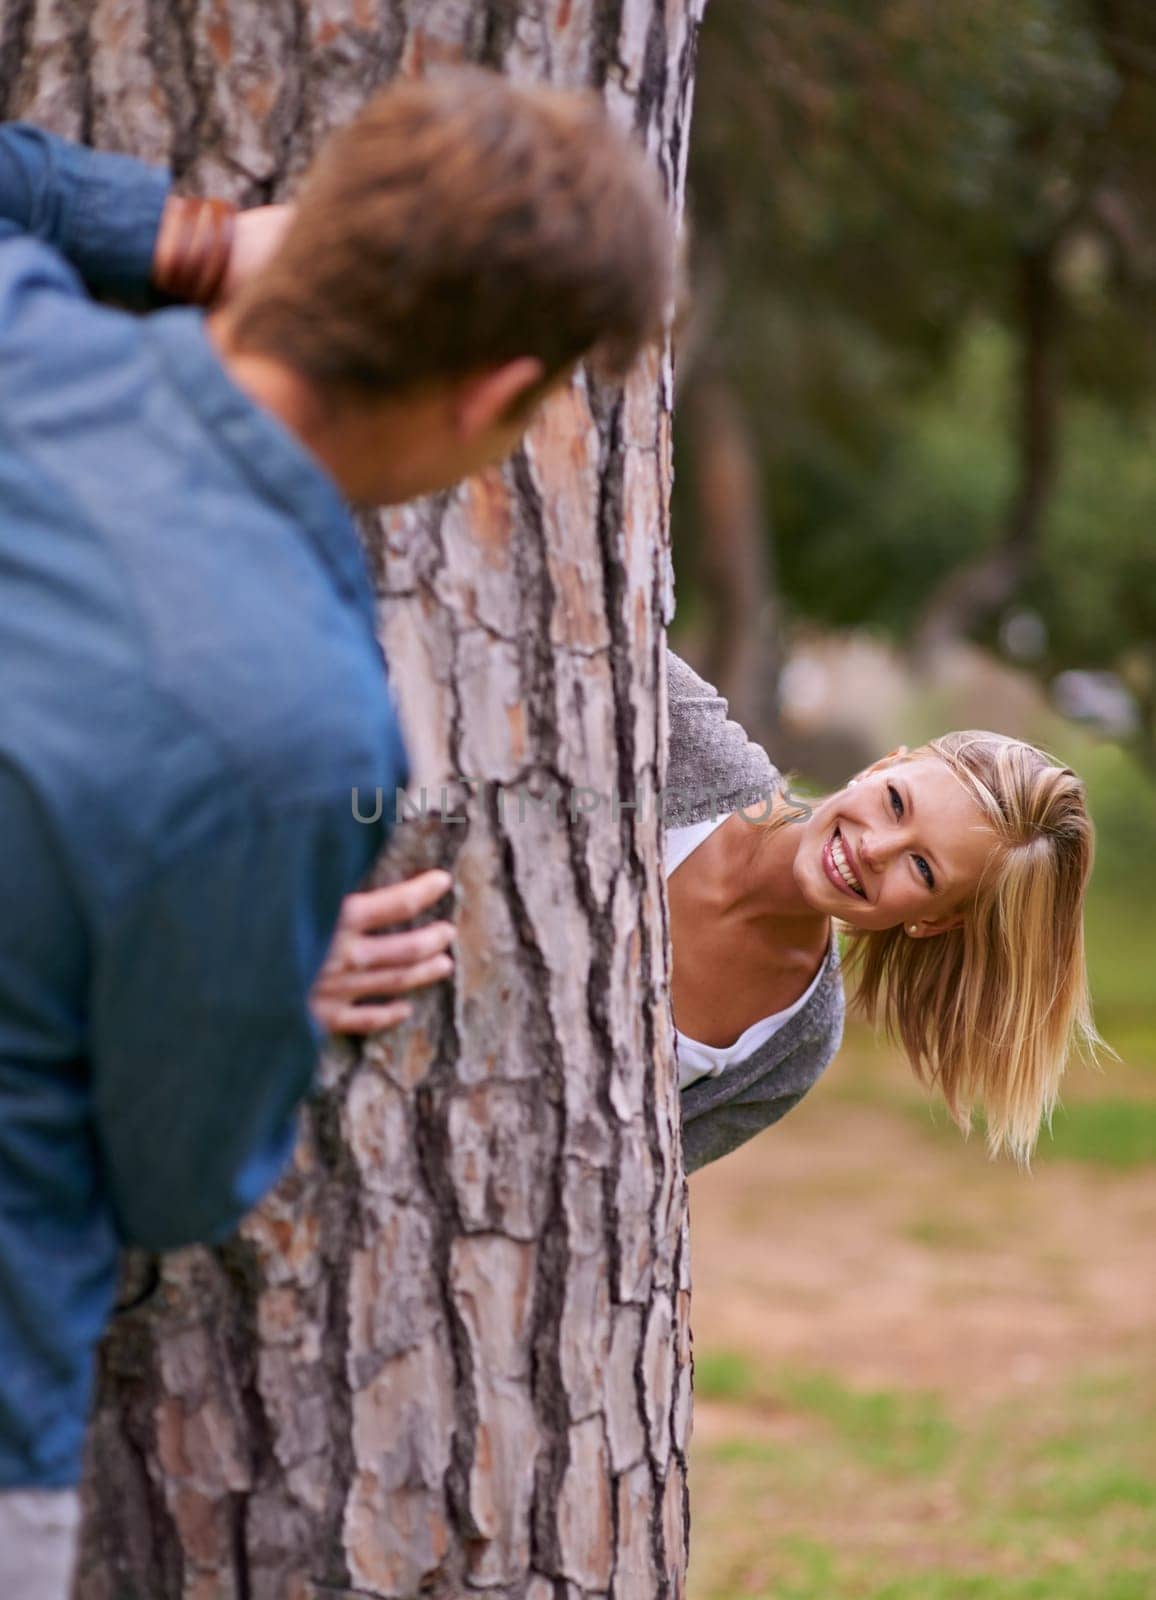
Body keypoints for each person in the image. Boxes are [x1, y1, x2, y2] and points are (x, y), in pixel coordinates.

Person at [0, 74, 674, 1586]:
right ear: (498, 394)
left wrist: (187, 241)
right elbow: (177, 1173)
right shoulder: (307, 733)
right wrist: (251, 979)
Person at [324, 650, 1102, 1173]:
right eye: (895, 803)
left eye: (922, 869)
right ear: (881, 765)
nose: (875, 848)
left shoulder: (790, 1044)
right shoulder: (684, 736)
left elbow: (622, 1195)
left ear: (933, 921)